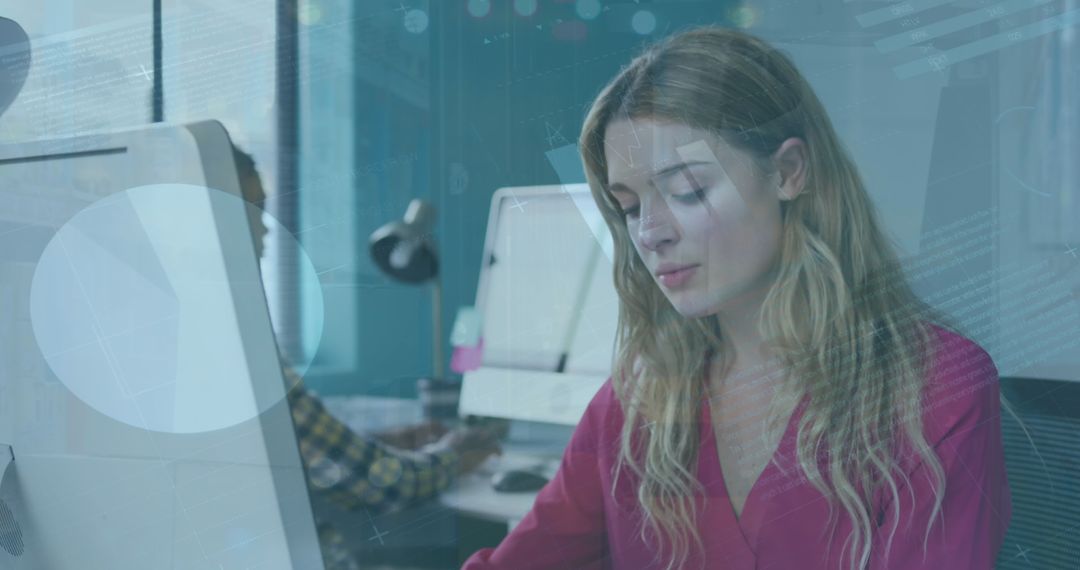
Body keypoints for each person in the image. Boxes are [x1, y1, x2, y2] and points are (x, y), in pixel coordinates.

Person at [463, 26, 1011, 570]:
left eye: (687, 190)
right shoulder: (635, 401)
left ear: (788, 172)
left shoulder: (935, 389)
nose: (651, 232)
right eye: (629, 207)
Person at [231, 146, 503, 569]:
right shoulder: (242, 359)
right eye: (254, 209)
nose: (267, 230)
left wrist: (380, 443)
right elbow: (379, 483)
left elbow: (302, 455)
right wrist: (454, 453)